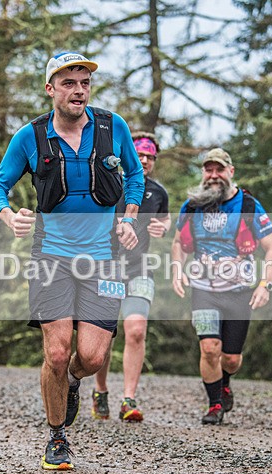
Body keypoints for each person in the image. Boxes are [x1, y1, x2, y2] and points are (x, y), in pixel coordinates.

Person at [0, 52, 144, 470]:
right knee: (55, 352)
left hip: (104, 258)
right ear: (50, 88)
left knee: (90, 357)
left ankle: (73, 381)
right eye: (69, 82)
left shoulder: (113, 127)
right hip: (50, 256)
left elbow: (135, 175)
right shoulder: (30, 137)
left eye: (84, 83)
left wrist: (129, 218)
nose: (78, 90)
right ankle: (57, 436)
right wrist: (9, 215)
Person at [170, 148, 272, 424]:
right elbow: (178, 243)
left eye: (219, 169)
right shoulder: (193, 205)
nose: (214, 175)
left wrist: (264, 285)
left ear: (230, 172)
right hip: (203, 290)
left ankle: (226, 380)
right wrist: (177, 269)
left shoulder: (248, 206)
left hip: (239, 291)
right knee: (209, 348)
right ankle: (215, 404)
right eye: (209, 170)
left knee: (231, 359)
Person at [92, 132, 170, 422]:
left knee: (136, 331)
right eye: (141, 155)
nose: (146, 160)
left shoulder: (159, 192)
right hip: (108, 268)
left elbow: (164, 220)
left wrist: (163, 228)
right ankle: (100, 391)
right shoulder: (109, 184)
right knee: (104, 335)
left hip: (140, 269)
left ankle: (129, 399)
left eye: (150, 156)